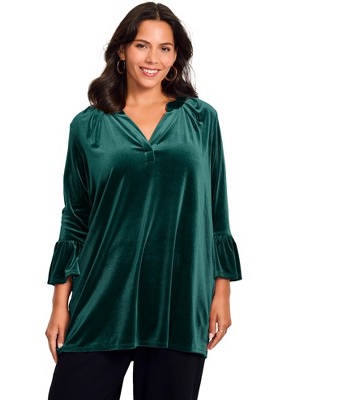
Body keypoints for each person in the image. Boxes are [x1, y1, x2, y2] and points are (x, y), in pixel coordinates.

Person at [45, 2, 242, 399]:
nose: (153, 59)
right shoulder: (88, 126)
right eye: (142, 45)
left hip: (179, 297)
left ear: (176, 56)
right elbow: (76, 219)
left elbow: (216, 210)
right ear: (122, 50)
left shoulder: (201, 119)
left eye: (165, 48)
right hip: (102, 295)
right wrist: (60, 304)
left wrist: (222, 290)